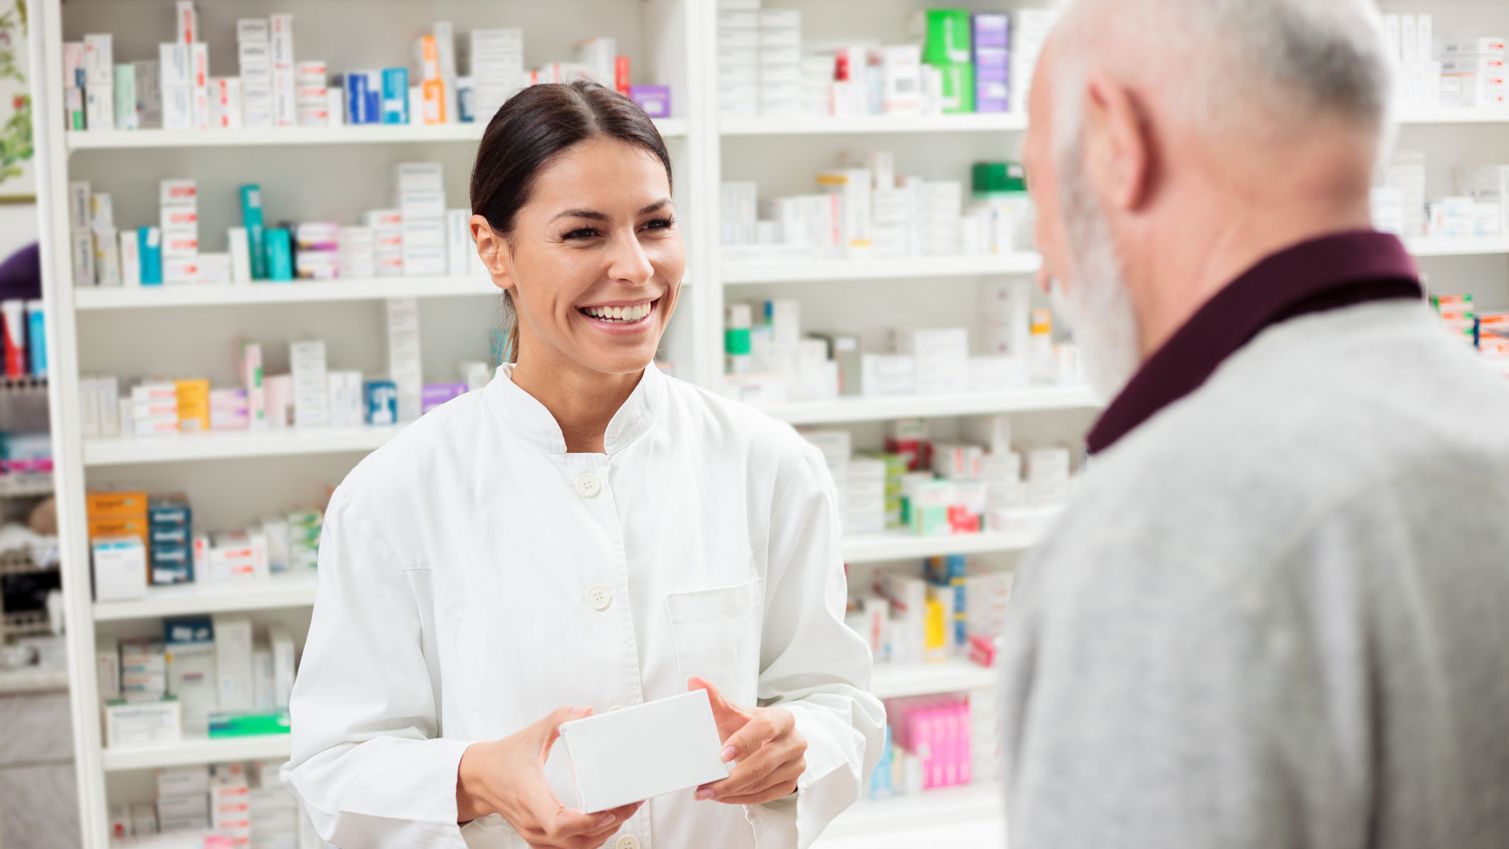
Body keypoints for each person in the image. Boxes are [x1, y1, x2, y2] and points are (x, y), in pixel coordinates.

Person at [284, 81, 883, 849]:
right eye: (583, 234)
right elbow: (333, 765)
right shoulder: (393, 495)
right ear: (491, 248)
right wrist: (471, 776)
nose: (634, 268)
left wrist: (796, 744)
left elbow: (835, 697)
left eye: (655, 224)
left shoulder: (770, 466)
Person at [1000, 1, 1509, 847]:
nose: (1044, 256)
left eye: (1034, 186)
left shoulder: (1163, 533)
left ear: (1115, 140)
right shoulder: (1486, 421)